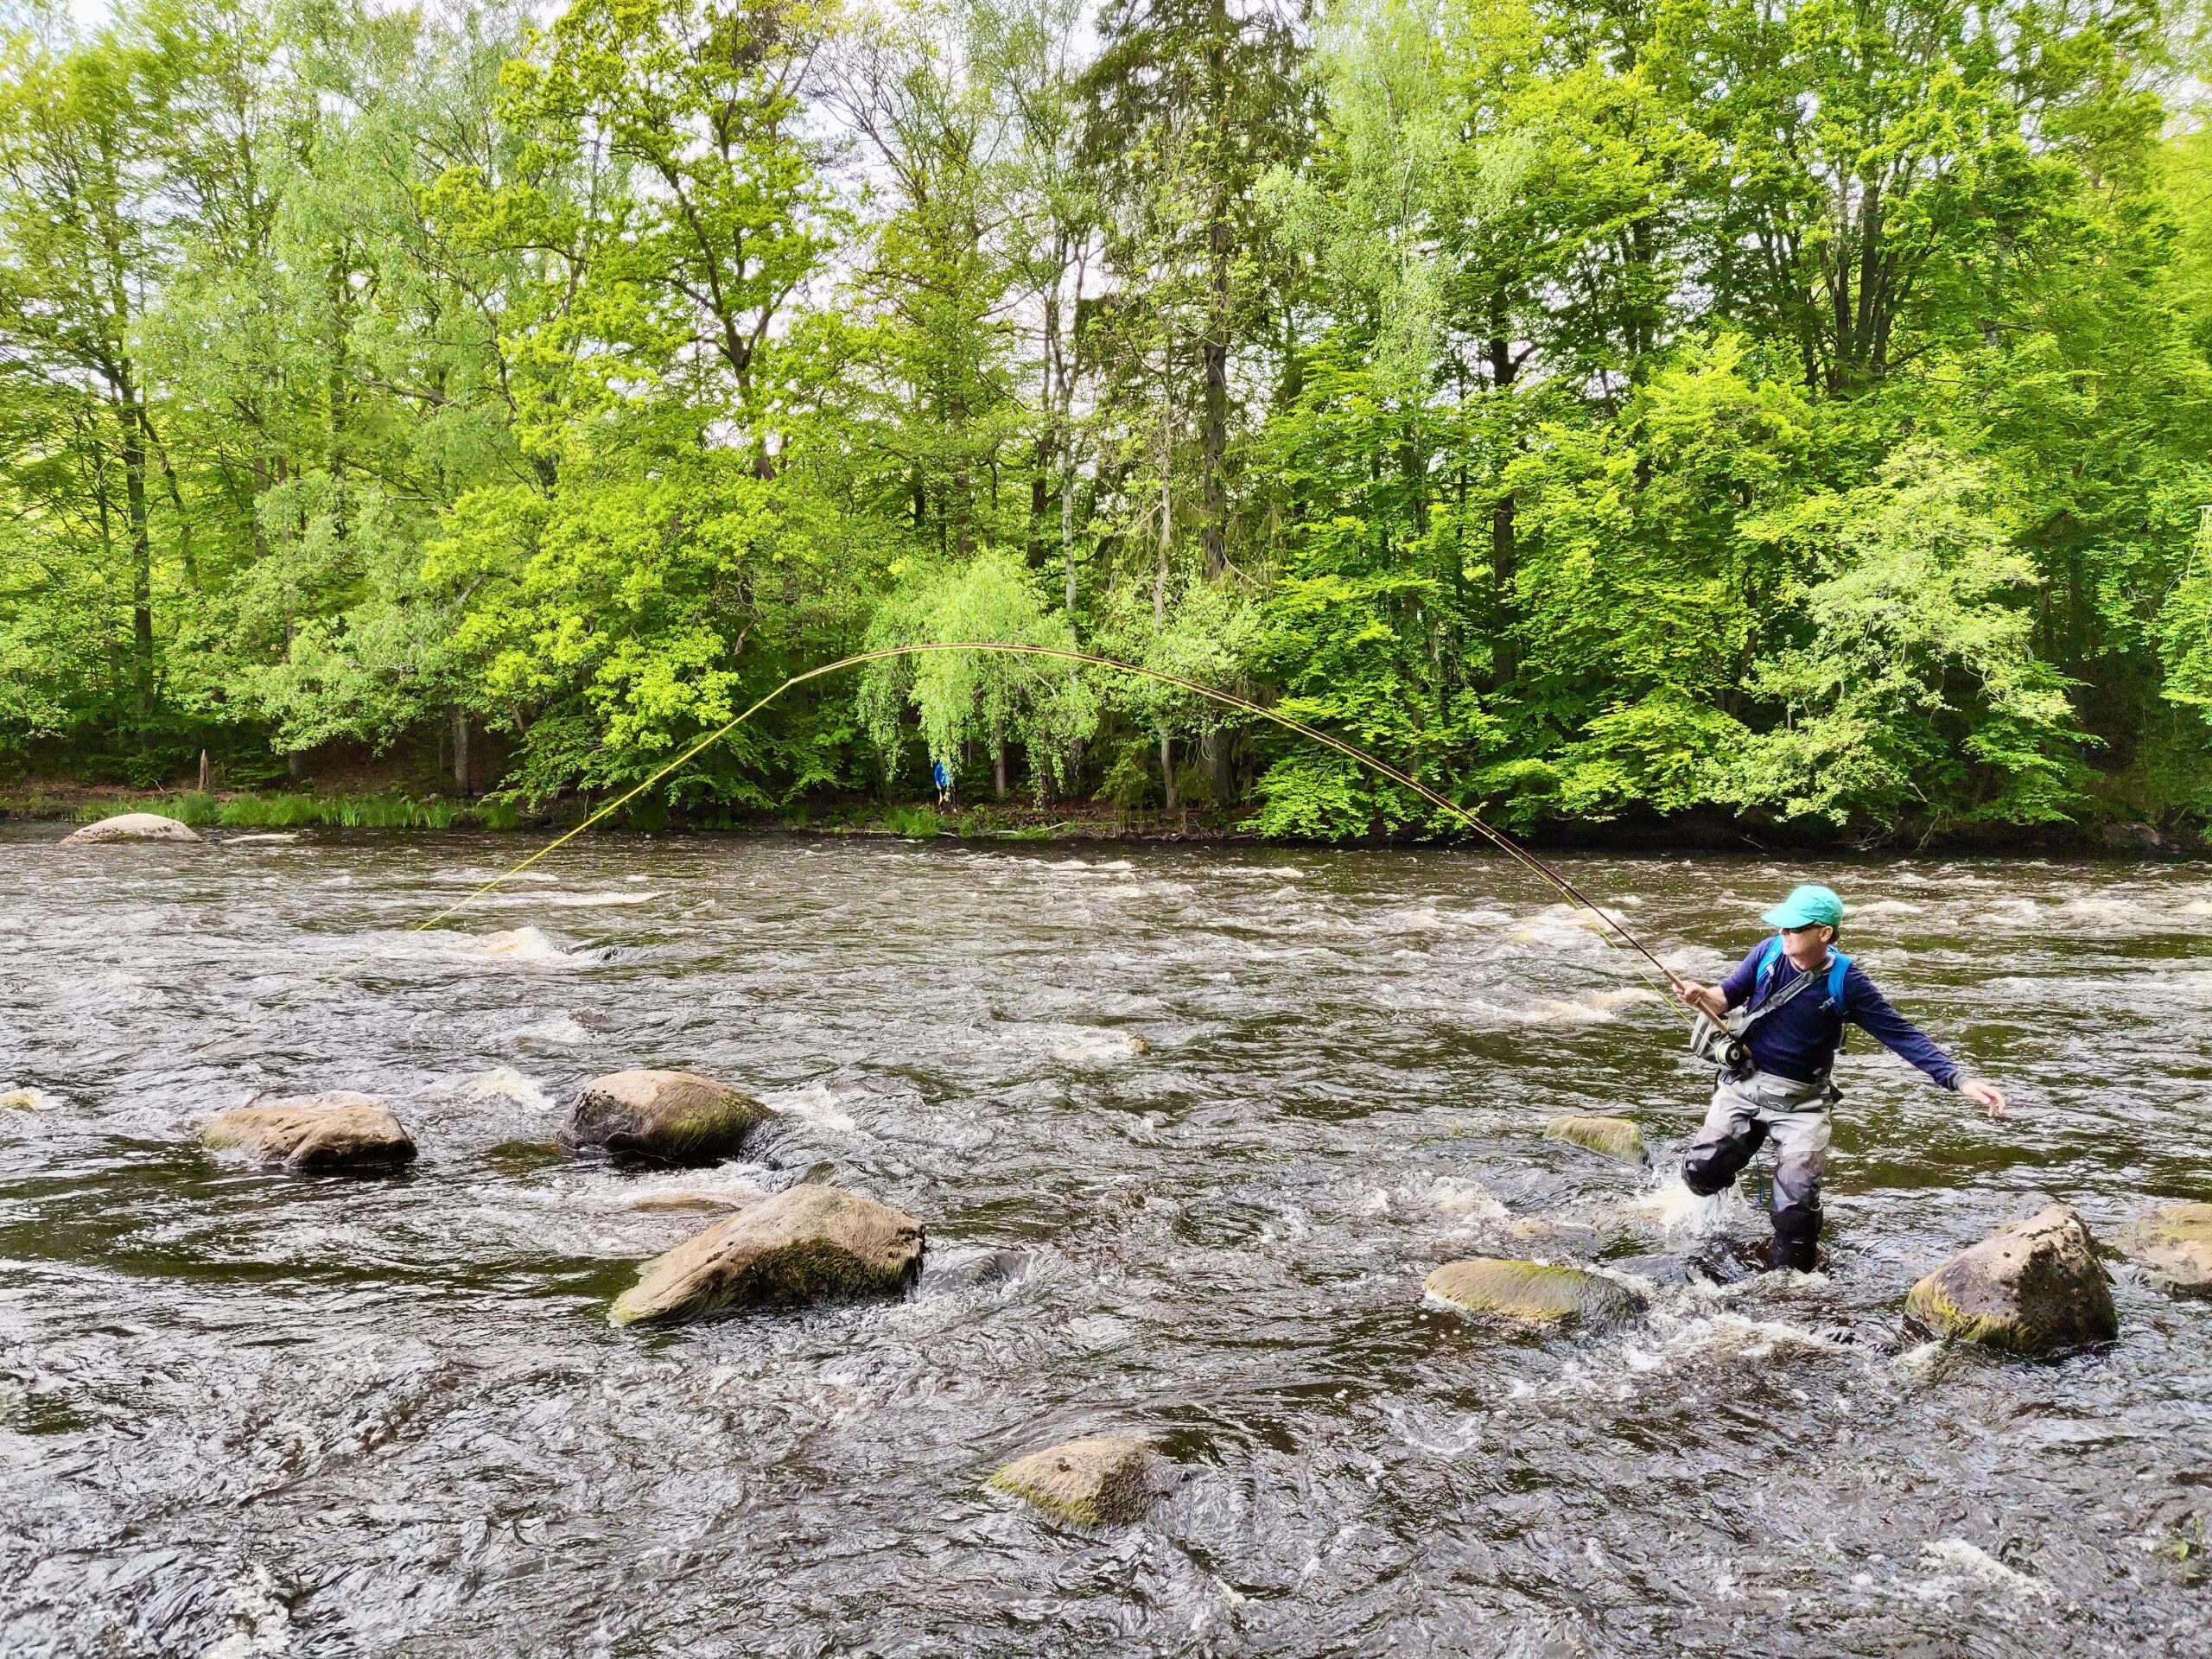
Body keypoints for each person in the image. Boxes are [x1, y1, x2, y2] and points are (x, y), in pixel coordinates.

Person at [1672, 883, 2007, 1273]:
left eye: (1794, 929)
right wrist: (1701, 996)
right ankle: (1717, 1221)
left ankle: (1788, 1292)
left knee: (1795, 1209)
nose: (1783, 934)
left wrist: (1959, 1080)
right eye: (1781, 927)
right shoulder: (1766, 954)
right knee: (1701, 1172)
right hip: (1744, 1085)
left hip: (1803, 1104)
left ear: (1824, 933)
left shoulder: (1847, 983)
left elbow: (1899, 1034)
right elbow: (1725, 997)